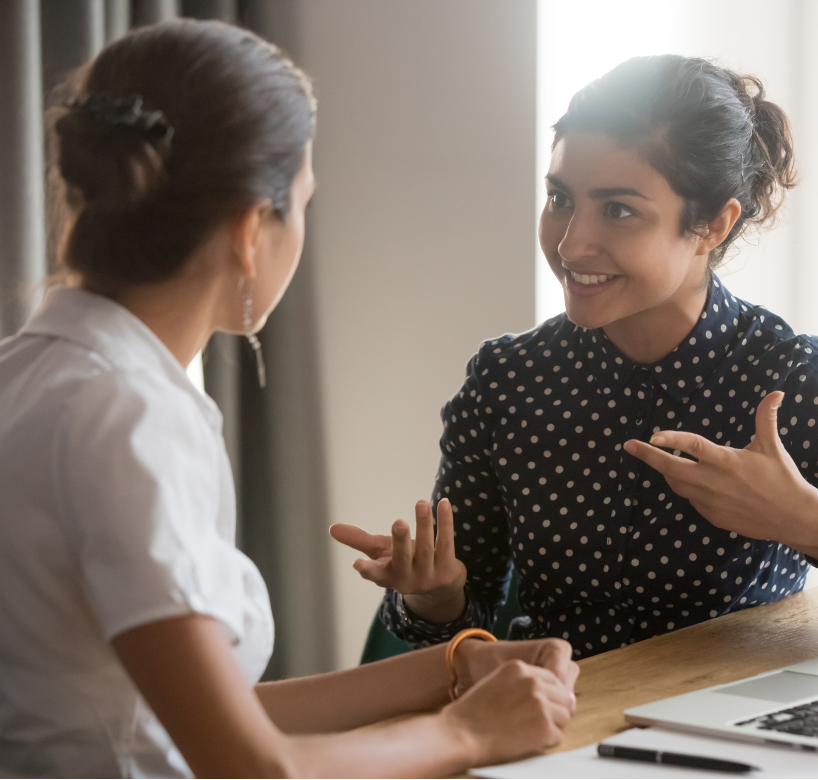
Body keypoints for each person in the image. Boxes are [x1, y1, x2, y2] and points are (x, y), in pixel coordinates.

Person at [0, 20, 580, 779]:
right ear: (249, 229)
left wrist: (454, 667)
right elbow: (248, 765)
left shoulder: (31, 375)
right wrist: (468, 735)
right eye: (301, 202)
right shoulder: (128, 417)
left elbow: (176, 717)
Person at [331, 55, 818, 659]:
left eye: (618, 209)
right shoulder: (508, 380)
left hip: (732, 725)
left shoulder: (788, 382)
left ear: (712, 224)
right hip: (556, 718)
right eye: (559, 198)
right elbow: (462, 614)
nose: (571, 242)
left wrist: (813, 522)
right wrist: (433, 596)